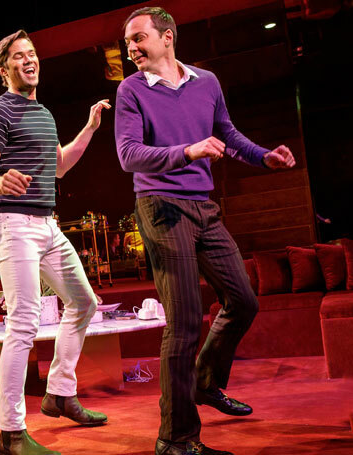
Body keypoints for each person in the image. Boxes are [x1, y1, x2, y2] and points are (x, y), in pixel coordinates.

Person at [116, 8, 296, 455]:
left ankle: (204, 381)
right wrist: (187, 151)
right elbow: (129, 155)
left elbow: (227, 133)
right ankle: (175, 439)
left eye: (139, 38)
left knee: (244, 299)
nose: (132, 48)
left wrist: (262, 157)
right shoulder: (130, 90)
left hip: (203, 206)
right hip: (160, 207)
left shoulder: (207, 82)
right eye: (128, 43)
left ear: (168, 37)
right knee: (182, 324)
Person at [0, 30, 111, 455]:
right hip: (13, 224)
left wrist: (89, 128)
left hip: (47, 226)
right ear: (4, 69)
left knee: (84, 303)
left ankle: (60, 393)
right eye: (19, 56)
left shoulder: (44, 113)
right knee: (24, 323)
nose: (29, 60)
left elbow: (60, 168)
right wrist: (2, 183)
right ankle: (11, 432)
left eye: (32, 54)